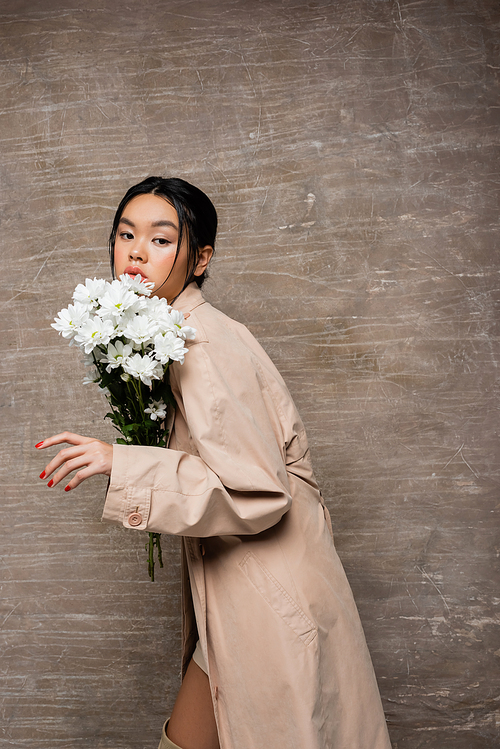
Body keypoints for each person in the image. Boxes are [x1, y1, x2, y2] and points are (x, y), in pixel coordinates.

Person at [37, 177, 392, 749]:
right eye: (125, 234)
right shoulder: (174, 332)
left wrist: (120, 463)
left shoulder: (200, 343)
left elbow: (259, 491)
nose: (135, 251)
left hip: (267, 593)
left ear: (200, 258)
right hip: (244, 590)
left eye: (160, 239)